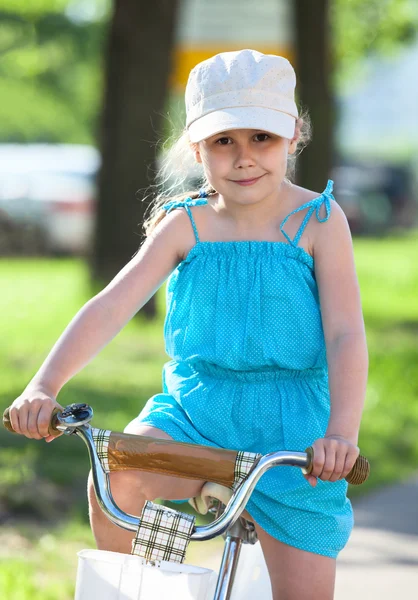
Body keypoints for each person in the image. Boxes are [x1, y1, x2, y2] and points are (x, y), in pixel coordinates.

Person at [9, 49, 368, 599]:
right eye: (224, 141)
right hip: (195, 411)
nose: (244, 158)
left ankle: (226, 497)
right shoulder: (186, 223)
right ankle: (146, 584)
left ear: (294, 135)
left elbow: (345, 333)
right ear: (197, 147)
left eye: (261, 138)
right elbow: (111, 305)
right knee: (118, 472)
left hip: (292, 425)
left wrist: (341, 433)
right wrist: (44, 385)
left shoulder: (318, 220)